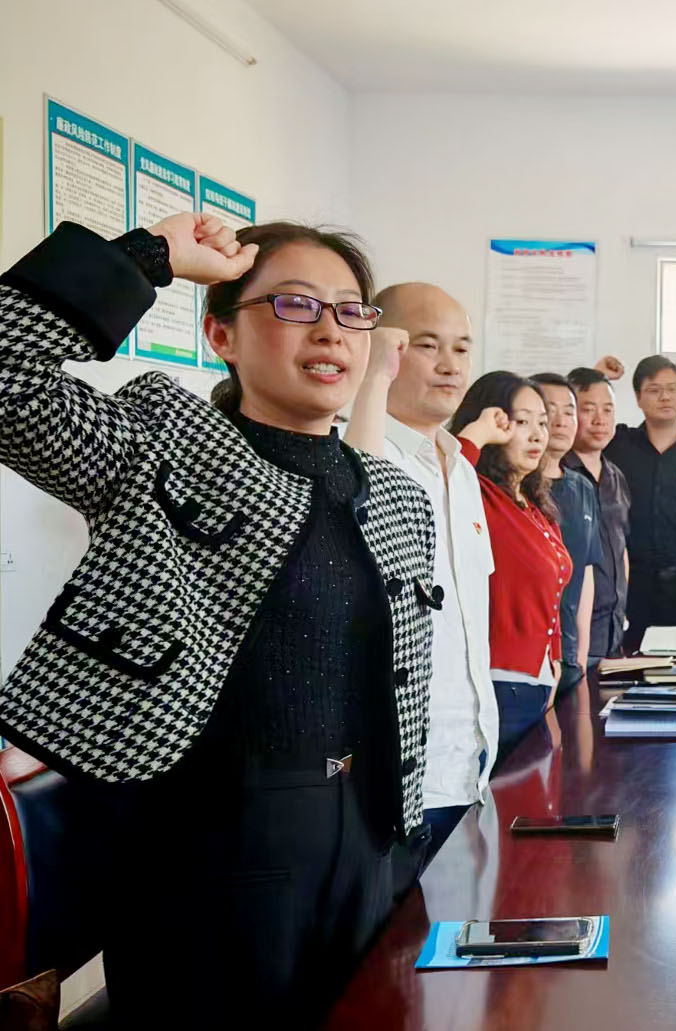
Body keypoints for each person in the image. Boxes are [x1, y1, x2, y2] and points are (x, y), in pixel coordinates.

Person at [0, 215, 439, 1024]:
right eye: (295, 304)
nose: (330, 331)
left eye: (350, 311)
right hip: (208, 846)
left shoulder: (397, 498)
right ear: (221, 335)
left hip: (371, 835)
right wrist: (149, 258)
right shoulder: (162, 447)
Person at [343, 281, 496, 868]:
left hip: (470, 762)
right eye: (428, 346)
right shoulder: (357, 452)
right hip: (397, 775)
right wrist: (371, 380)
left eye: (462, 348)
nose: (450, 365)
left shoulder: (462, 469)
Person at [449, 373, 571, 761]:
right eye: (521, 422)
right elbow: (442, 479)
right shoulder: (475, 491)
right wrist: (477, 432)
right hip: (498, 681)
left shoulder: (536, 508)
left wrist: (554, 657)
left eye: (542, 423)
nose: (537, 435)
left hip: (538, 683)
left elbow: (553, 586)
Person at [601, 355, 676, 647]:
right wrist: (599, 377)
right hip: (628, 583)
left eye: (672, 389)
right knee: (627, 662)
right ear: (638, 398)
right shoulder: (617, 447)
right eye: (654, 390)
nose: (665, 397)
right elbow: (579, 427)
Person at [532, 371, 602, 694]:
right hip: (529, 664)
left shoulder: (583, 487)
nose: (561, 421)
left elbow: (585, 572)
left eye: (569, 411)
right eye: (550, 410)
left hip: (571, 658)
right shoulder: (514, 487)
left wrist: (581, 654)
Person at [564, 365, 631, 663]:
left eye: (608, 409)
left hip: (612, 631)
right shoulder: (555, 475)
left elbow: (621, 547)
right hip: (572, 636)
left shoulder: (616, 475)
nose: (599, 419)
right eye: (588, 409)